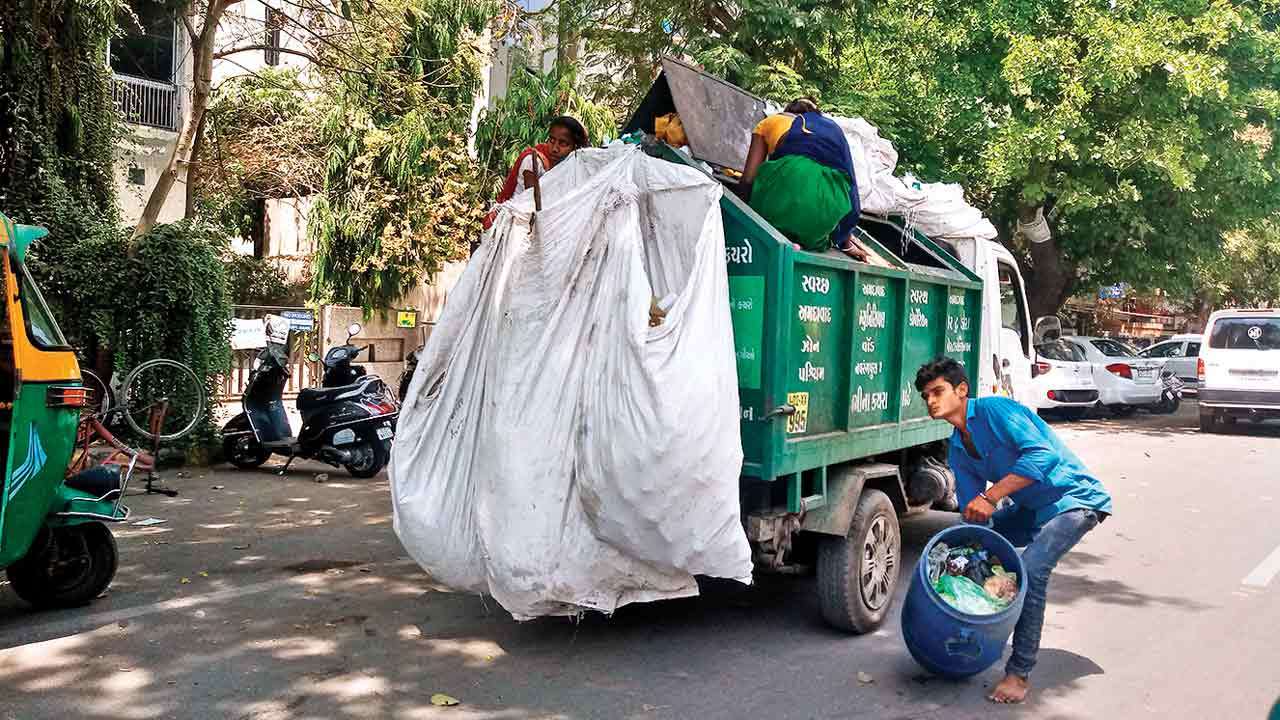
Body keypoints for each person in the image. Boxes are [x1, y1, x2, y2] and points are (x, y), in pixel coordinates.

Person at [914, 356, 1113, 705]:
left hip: (1075, 501)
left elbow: (1043, 456)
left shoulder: (996, 410)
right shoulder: (959, 447)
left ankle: (1019, 673)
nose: (930, 401)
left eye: (937, 391)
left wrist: (990, 497)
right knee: (972, 551)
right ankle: (973, 636)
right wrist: (968, 548)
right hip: (1031, 508)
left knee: (1032, 571)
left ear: (961, 390)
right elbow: (973, 512)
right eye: (925, 396)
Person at [741, 98, 865, 259]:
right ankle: (807, 241)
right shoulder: (834, 130)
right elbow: (851, 188)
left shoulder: (770, 122)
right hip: (826, 210)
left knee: (774, 173)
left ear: (788, 111)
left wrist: (742, 217)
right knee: (815, 232)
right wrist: (845, 243)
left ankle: (782, 231)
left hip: (779, 202)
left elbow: (748, 179)